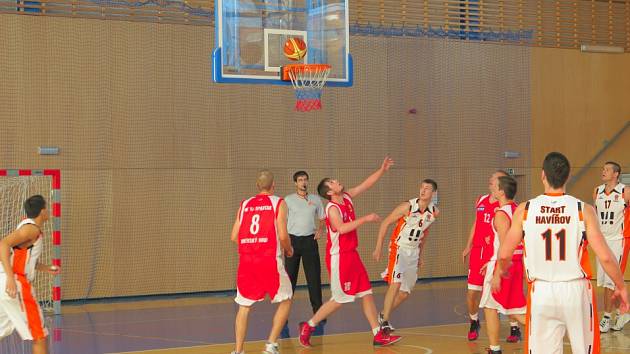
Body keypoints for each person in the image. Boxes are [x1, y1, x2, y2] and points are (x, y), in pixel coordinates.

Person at [498, 152, 629, 354]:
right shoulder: (582, 209)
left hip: (541, 291)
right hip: (575, 291)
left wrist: (501, 270)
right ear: (567, 177)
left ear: (543, 175)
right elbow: (605, 256)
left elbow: (505, 254)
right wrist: (620, 286)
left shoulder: (525, 210)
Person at [298, 157, 402, 348]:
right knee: (339, 300)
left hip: (352, 254)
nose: (336, 181)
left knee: (366, 293)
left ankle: (378, 335)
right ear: (330, 192)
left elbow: (365, 185)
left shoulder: (346, 196)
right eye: (332, 182)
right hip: (339, 258)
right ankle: (308, 325)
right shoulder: (331, 208)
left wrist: (382, 170)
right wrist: (366, 218)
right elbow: (342, 228)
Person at [230, 170, 294, 354]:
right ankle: (270, 344)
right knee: (287, 298)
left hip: (247, 262)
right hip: (268, 260)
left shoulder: (245, 204)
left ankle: (238, 350)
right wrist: (288, 249)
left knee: (244, 306)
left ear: (257, 186)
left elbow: (234, 236)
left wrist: (252, 241)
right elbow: (283, 235)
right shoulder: (278, 203)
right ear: (273, 185)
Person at [373, 179, 439, 331]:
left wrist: (420, 255)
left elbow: (425, 232)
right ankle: (385, 324)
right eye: (421, 187)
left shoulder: (434, 212)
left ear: (433, 193)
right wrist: (378, 248)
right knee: (395, 284)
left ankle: (383, 315)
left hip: (413, 252)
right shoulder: (407, 206)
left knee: (404, 293)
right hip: (399, 248)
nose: (423, 190)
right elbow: (385, 223)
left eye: (427, 188)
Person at [462, 170, 519, 341]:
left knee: (502, 294)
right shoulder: (481, 200)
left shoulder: (505, 207)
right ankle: (474, 321)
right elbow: (476, 222)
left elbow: (506, 237)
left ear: (501, 186)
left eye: (494, 178)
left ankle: (514, 327)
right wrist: (468, 245)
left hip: (496, 253)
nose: (490, 180)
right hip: (479, 251)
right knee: (472, 293)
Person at [0, 195, 59, 354]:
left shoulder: (30, 229)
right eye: (47, 207)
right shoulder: (31, 229)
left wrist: (45, 267)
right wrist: (11, 278)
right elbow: (3, 244)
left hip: (5, 282)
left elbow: (21, 257)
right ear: (43, 211)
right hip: (15, 284)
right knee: (40, 336)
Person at [479, 176, 525, 354]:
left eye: (495, 186)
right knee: (503, 307)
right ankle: (494, 348)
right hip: (515, 262)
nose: (492, 189)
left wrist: (497, 270)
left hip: (506, 264)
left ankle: (495, 349)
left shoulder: (501, 213)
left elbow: (506, 245)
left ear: (502, 192)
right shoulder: (519, 209)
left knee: (504, 309)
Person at [593, 161, 630, 332]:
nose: (603, 171)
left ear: (616, 174)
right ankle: (621, 313)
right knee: (604, 281)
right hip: (602, 240)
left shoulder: (625, 191)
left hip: (618, 240)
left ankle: (607, 317)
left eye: (607, 169)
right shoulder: (597, 191)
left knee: (610, 281)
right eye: (603, 169)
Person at [284, 171, 325, 318]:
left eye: (305, 179)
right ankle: (284, 314)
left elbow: (322, 218)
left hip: (310, 242)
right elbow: (282, 222)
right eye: (300, 180)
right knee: (289, 279)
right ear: (295, 183)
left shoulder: (316, 199)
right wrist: (285, 241)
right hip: (292, 242)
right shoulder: (288, 200)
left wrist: (320, 229)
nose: (303, 182)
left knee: (314, 278)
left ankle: (318, 313)